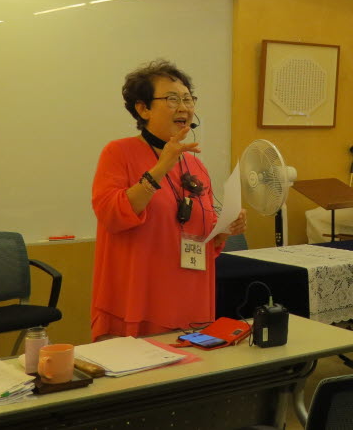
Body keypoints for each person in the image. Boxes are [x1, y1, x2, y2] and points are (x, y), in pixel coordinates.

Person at [91, 59, 246, 341]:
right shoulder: (118, 152)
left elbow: (202, 233)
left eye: (188, 99)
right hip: (141, 297)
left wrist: (225, 228)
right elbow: (112, 215)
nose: (184, 107)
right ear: (143, 108)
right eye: (173, 99)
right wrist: (162, 166)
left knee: (193, 366)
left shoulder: (195, 165)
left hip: (190, 296)